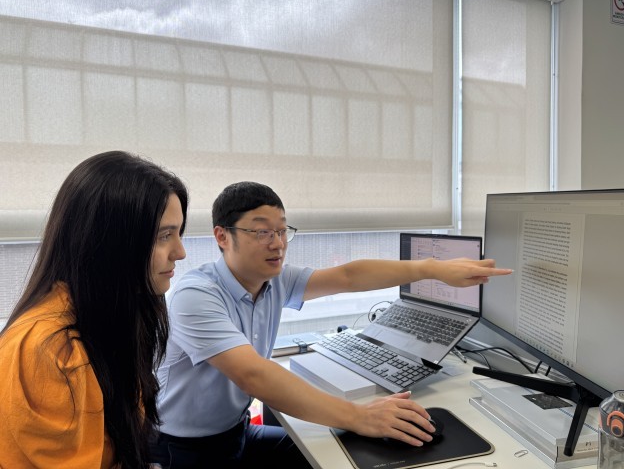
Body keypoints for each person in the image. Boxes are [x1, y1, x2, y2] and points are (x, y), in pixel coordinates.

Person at [150, 181, 512, 468]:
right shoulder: (196, 294)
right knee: (345, 439)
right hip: (184, 451)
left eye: (282, 231)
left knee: (338, 454)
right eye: (262, 232)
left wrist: (432, 269)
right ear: (221, 236)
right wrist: (359, 416)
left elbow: (348, 276)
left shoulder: (274, 280)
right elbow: (254, 375)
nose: (277, 244)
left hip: (237, 434)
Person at [0, 151, 189, 469]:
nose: (180, 252)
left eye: (179, 233)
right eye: (164, 236)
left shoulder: (114, 317)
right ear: (108, 242)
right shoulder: (47, 350)